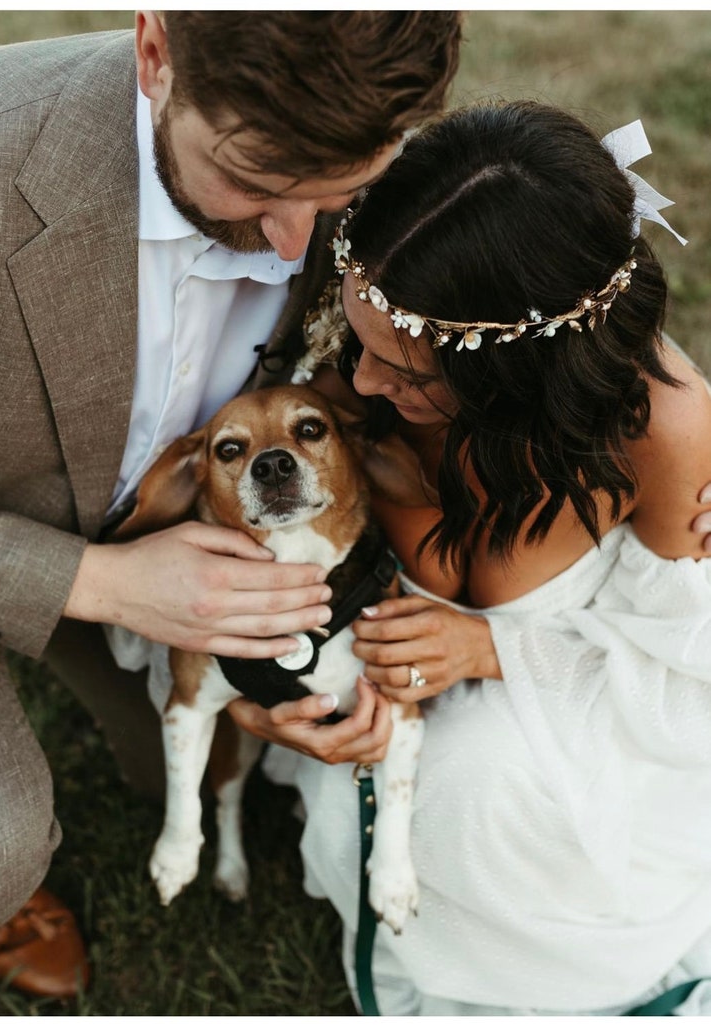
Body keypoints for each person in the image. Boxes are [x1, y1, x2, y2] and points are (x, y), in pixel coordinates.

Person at [0, 9, 462, 997]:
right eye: (254, 183)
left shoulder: (358, 124)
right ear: (155, 54)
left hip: (194, 515)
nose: (296, 238)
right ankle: (3, 888)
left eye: (335, 195)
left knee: (197, 767)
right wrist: (100, 581)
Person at [255, 101, 711, 1015]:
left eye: (412, 374)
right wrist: (267, 706)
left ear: (520, 368)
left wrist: (489, 650)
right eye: (361, 338)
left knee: (474, 778)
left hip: (581, 713)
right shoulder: (353, 365)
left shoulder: (661, 432)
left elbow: (689, 672)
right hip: (376, 688)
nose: (364, 382)